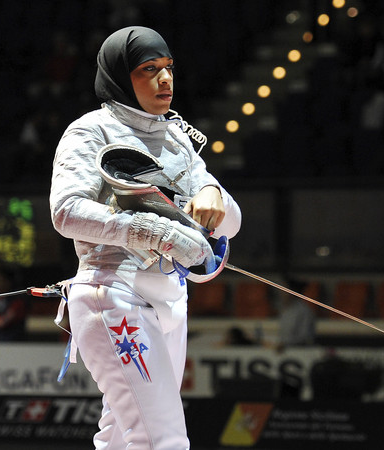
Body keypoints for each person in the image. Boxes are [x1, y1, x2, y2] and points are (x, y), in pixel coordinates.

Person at [49, 26, 241, 449]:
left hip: (171, 300)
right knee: (162, 441)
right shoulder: (90, 131)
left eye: (168, 67)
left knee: (120, 440)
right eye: (149, 69)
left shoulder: (176, 138)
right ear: (121, 77)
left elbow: (230, 225)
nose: (165, 79)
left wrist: (214, 193)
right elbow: (66, 211)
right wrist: (160, 233)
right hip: (113, 296)